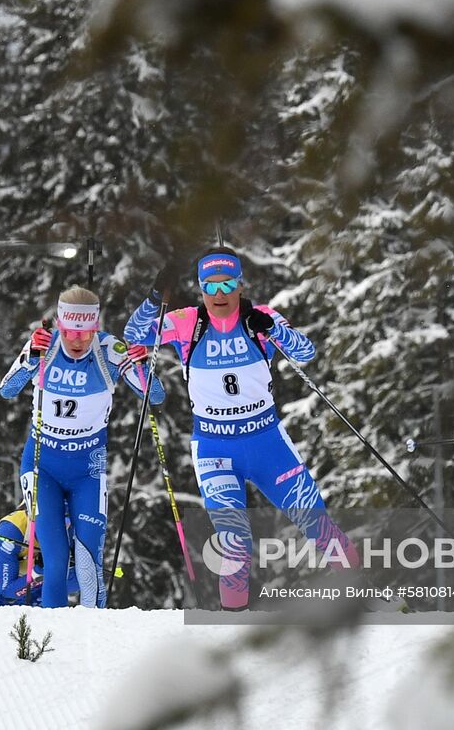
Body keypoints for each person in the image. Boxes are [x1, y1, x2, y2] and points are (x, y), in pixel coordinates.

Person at [123, 246, 358, 611]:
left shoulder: (260, 317)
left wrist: (275, 329)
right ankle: (233, 621)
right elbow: (134, 334)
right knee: (234, 542)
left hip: (266, 443)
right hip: (215, 449)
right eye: (209, 286)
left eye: (227, 284)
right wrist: (156, 296)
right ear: (200, 289)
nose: (219, 294)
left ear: (240, 285)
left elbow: (307, 353)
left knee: (317, 523)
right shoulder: (187, 322)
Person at [0, 285, 162, 608]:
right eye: (71, 332)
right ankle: (51, 643)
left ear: (96, 328)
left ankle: (93, 640)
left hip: (88, 469)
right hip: (42, 464)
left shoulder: (110, 350)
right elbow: (7, 390)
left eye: (85, 334)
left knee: (89, 565)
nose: (77, 341)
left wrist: (143, 366)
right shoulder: (46, 347)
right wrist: (31, 354)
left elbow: (154, 396)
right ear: (60, 325)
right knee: (56, 560)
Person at [0, 505, 79, 606]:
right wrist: (38, 571)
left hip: (39, 585)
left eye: (67, 521)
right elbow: (8, 592)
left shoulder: (71, 529)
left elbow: (77, 582)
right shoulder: (11, 530)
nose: (62, 527)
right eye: (56, 522)